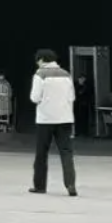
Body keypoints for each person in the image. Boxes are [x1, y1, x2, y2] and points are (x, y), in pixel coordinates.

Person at [29, 48, 77, 197]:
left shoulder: (40, 75)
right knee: (66, 152)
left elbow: (35, 98)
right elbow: (72, 97)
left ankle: (40, 186)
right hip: (65, 118)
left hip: (45, 120)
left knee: (41, 153)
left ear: (41, 60)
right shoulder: (66, 74)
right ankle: (70, 184)